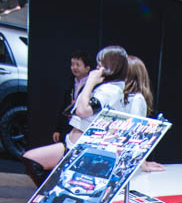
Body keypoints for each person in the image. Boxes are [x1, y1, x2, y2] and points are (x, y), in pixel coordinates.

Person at [21, 45, 129, 185]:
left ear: (111, 66)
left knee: (34, 161)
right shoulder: (107, 88)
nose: (97, 67)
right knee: (31, 159)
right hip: (73, 146)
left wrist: (90, 82)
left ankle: (50, 192)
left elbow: (82, 110)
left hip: (82, 150)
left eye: (101, 63)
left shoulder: (110, 91)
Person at [52, 50, 94, 144]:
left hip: (83, 126)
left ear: (87, 68)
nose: (74, 67)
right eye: (72, 64)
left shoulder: (93, 85)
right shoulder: (70, 82)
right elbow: (64, 107)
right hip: (68, 125)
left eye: (78, 65)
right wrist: (58, 129)